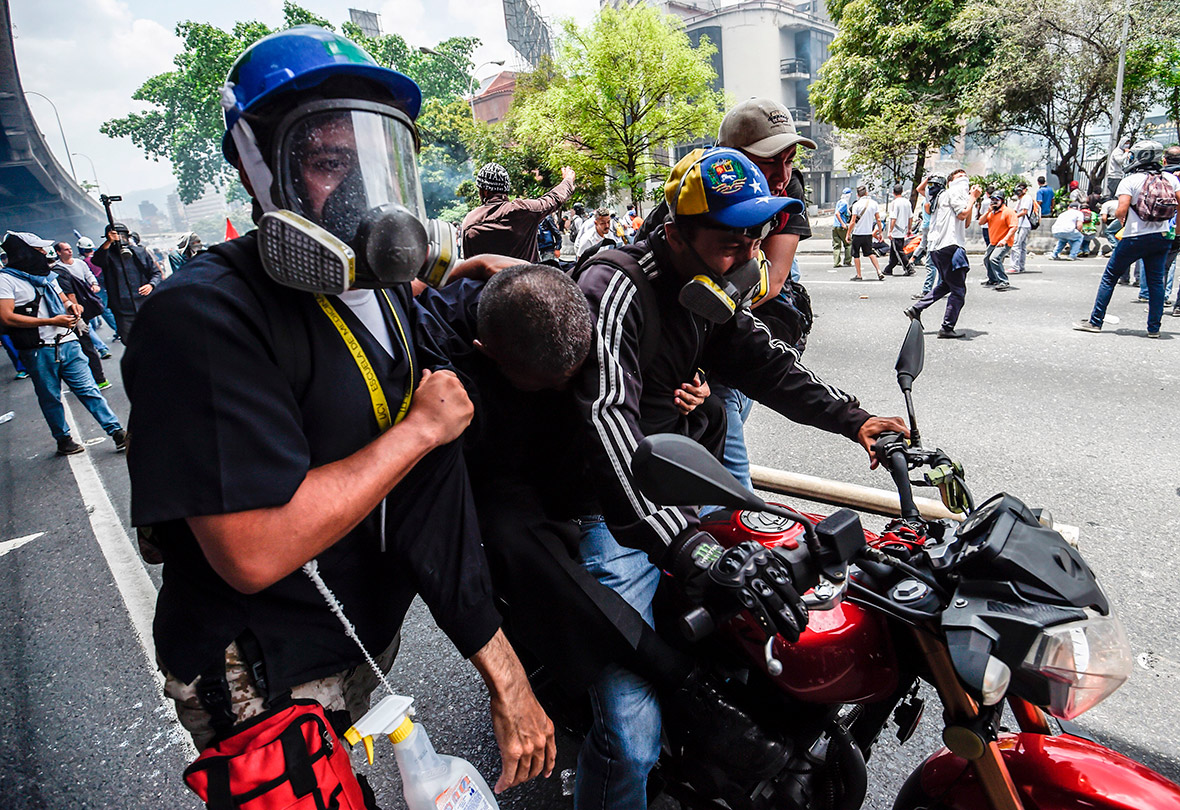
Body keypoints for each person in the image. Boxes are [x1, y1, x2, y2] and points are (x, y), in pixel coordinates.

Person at [121, 26, 555, 801]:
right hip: (263, 667)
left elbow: (424, 461)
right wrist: (419, 430)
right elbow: (251, 549)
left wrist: (481, 272)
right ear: (258, 167)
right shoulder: (202, 320)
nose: (359, 194)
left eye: (372, 161)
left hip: (358, 632)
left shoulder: (380, 290)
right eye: (327, 162)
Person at [572, 146, 908, 805]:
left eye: (754, 239)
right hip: (610, 511)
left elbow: (765, 362)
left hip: (683, 481)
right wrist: (692, 547)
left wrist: (855, 420)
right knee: (630, 731)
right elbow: (607, 425)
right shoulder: (614, 287)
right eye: (729, 242)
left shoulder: (710, 293)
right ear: (675, 235)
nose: (746, 259)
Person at [714, 97, 817, 490]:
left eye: (789, 159)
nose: (780, 174)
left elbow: (771, 281)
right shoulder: (700, 187)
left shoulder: (788, 187)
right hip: (701, 351)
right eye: (767, 160)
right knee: (731, 487)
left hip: (751, 332)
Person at [0, 231, 125, 455]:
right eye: (37, 249)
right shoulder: (5, 280)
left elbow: (64, 299)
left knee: (89, 389)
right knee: (50, 397)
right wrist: (50, 320)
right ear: (24, 252)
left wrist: (72, 307)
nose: (42, 253)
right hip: (38, 349)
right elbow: (7, 317)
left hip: (68, 342)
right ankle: (63, 439)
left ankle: (116, 431)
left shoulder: (47, 276)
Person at [1075, 140, 1180, 338]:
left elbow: (1121, 209)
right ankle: (1154, 328)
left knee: (1109, 277)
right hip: (1162, 237)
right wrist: (1176, 230)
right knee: (1156, 281)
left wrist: (1123, 221)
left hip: (1135, 237)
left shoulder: (1130, 181)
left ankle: (1096, 321)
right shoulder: (1169, 179)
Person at [904, 169, 983, 338]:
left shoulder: (949, 196)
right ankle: (947, 328)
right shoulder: (952, 192)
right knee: (959, 291)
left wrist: (971, 200)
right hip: (950, 246)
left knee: (948, 284)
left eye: (966, 176)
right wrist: (973, 198)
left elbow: (966, 222)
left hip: (938, 248)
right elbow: (962, 215)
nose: (965, 178)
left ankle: (916, 308)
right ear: (951, 182)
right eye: (960, 176)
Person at [461, 162, 575, 262]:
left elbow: (469, 263)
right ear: (506, 189)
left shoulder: (470, 221)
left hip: (487, 285)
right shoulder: (523, 210)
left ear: (484, 192)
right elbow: (552, 199)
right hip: (525, 284)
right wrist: (568, 180)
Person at [51, 242, 110, 388]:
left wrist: (93, 284)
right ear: (58, 253)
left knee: (85, 342)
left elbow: (71, 294)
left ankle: (98, 378)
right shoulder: (59, 269)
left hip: (79, 307)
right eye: (66, 249)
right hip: (75, 310)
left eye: (70, 249)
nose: (69, 251)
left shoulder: (70, 267)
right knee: (85, 340)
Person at [91, 221, 161, 341]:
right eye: (116, 237)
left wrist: (151, 285)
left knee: (154, 337)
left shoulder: (140, 252)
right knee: (129, 339)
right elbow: (97, 260)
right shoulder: (108, 256)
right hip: (122, 308)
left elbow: (156, 273)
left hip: (145, 304)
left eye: (122, 236)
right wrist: (108, 242)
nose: (120, 239)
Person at [978, 191, 1016, 291]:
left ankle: (1003, 281)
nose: (994, 202)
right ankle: (993, 279)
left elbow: (1013, 227)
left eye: (996, 200)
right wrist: (988, 211)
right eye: (992, 200)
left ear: (1002, 201)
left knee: (994, 259)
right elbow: (981, 222)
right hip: (994, 242)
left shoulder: (1008, 212)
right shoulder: (991, 213)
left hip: (1004, 242)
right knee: (987, 259)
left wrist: (1005, 239)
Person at [846, 184, 883, 281]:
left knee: (856, 254)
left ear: (857, 195)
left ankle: (859, 275)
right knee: (870, 252)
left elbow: (853, 221)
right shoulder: (874, 203)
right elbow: (878, 219)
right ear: (866, 193)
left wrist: (848, 234)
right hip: (868, 233)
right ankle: (879, 271)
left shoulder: (856, 205)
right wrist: (880, 232)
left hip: (857, 233)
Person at [884, 183, 914, 276]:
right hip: (903, 229)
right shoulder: (907, 202)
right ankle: (889, 268)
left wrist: (890, 231)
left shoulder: (894, 203)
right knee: (894, 251)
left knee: (899, 251)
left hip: (896, 230)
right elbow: (910, 217)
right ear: (902, 191)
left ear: (893, 192)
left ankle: (909, 268)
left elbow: (893, 218)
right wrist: (909, 229)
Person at [1011, 182, 1035, 274]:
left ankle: (1015, 266)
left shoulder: (1026, 198)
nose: (1019, 191)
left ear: (1025, 190)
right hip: (1022, 225)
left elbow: (1024, 211)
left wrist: (1014, 217)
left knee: (1016, 245)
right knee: (1022, 246)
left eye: (1021, 189)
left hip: (1023, 225)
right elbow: (1014, 210)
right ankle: (1021, 266)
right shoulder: (1020, 199)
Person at [832, 186, 853, 267]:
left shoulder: (839, 202)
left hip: (835, 226)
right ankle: (847, 261)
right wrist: (843, 224)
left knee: (836, 245)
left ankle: (836, 262)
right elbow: (837, 213)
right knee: (848, 243)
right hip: (841, 226)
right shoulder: (844, 203)